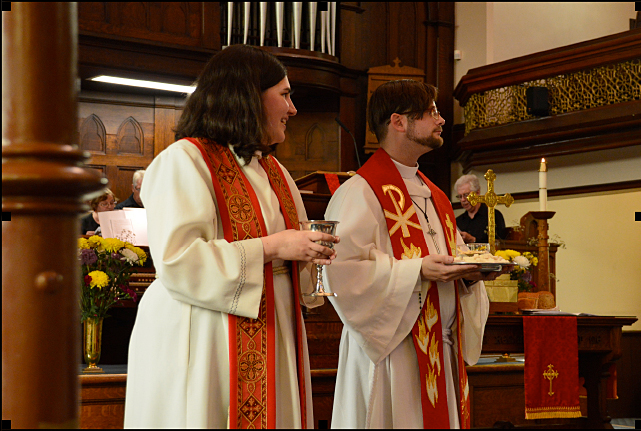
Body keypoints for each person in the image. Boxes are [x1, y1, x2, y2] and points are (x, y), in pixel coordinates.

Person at [124, 45, 339, 429]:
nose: (293, 109)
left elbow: (293, 250)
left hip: (275, 325)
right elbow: (178, 261)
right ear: (248, 96)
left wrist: (308, 255)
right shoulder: (184, 161)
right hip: (205, 334)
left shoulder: (274, 170)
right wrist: (276, 246)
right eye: (285, 95)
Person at [324, 80, 502, 428]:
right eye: (432, 112)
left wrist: (471, 275)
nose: (442, 121)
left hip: (441, 349)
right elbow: (340, 272)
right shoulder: (359, 192)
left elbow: (454, 259)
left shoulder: (435, 195)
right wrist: (416, 271)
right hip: (393, 352)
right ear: (399, 122)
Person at [454, 174, 507, 244]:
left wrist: (473, 240)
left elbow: (501, 243)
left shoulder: (493, 215)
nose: (463, 200)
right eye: (460, 196)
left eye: (466, 195)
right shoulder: (458, 221)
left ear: (477, 192)